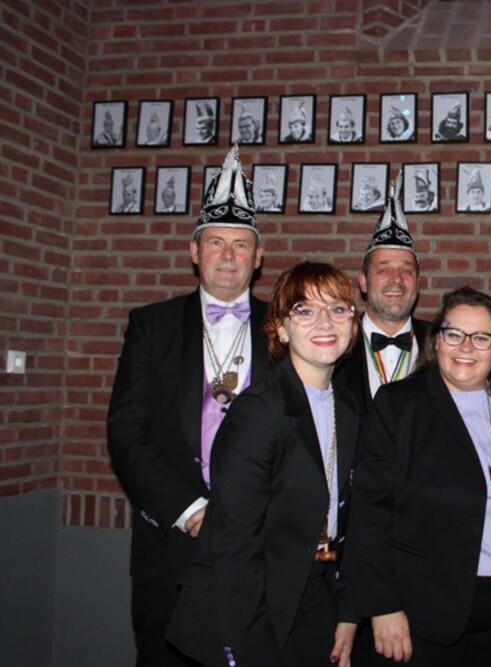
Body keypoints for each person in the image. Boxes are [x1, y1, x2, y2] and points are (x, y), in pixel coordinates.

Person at [342, 286, 491, 667]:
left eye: (481, 337)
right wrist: (383, 605)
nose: (466, 347)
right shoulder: (400, 406)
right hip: (424, 615)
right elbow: (369, 512)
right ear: (436, 340)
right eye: (454, 334)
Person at [107, 144, 268, 666]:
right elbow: (127, 432)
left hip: (263, 547)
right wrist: (191, 511)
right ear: (194, 251)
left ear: (258, 257)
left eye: (241, 244)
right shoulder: (150, 326)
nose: (228, 255)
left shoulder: (287, 327)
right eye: (216, 242)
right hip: (172, 546)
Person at [167, 261, 361, 667]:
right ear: (281, 329)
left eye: (338, 308)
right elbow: (235, 547)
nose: (325, 322)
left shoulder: (347, 408)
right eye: (305, 310)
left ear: (352, 324)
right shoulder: (258, 413)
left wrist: (346, 612)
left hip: (312, 593)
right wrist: (252, 651)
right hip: (249, 608)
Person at [337, 172, 429, 414]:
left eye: (406, 271)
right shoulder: (336, 341)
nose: (396, 279)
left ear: (419, 283)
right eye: (384, 269)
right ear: (363, 282)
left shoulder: (442, 343)